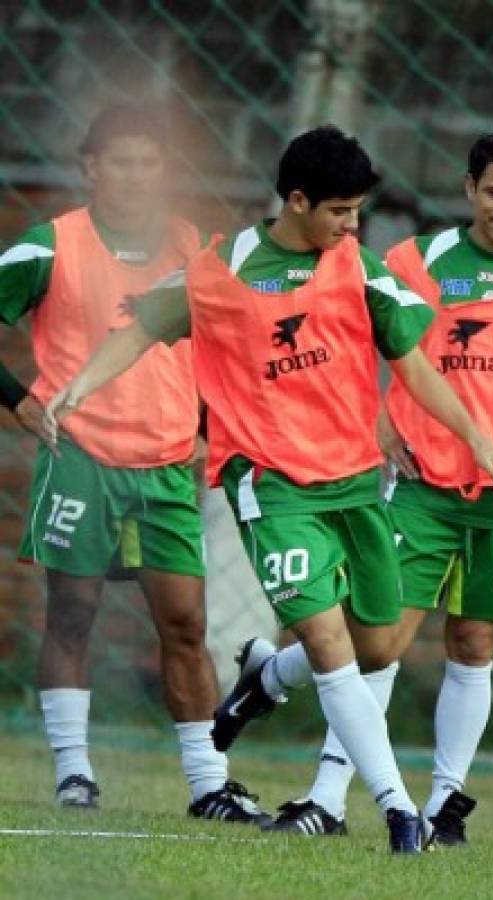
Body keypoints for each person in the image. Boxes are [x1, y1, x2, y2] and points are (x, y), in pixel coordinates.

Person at [43, 125, 493, 853]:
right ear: (295, 201)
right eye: (338, 211)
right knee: (328, 642)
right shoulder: (218, 270)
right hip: (271, 486)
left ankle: (265, 680)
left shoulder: (355, 268)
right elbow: (138, 332)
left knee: (379, 645)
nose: (351, 225)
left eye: (357, 211)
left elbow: (415, 364)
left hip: (356, 483)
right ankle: (397, 812)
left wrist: (477, 436)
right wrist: (77, 386)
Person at [231, 128, 493, 844]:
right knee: (379, 640)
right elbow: (346, 338)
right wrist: (378, 425)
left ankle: (441, 803)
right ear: (467, 189)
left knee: (475, 641)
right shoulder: (413, 261)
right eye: (492, 192)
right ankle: (326, 797)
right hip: (421, 485)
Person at [0, 103, 270, 825]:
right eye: (119, 161)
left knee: (184, 622)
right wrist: (22, 401)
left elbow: (229, 348)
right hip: (81, 455)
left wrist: (213, 426)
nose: (134, 175)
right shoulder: (47, 246)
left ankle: (208, 783)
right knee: (74, 612)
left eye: (150, 162)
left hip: (167, 466)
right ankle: (74, 772)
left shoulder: (193, 248)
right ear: (90, 168)